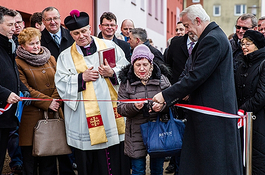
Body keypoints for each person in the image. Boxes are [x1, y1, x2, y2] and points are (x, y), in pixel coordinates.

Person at [153, 4, 242, 175]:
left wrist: (165, 95)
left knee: (214, 164)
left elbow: (196, 76)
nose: (186, 31)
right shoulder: (211, 37)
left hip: (212, 116)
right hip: (207, 113)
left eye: (186, 26)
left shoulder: (212, 40)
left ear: (198, 21)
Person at [55, 10, 130, 175]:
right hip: (84, 116)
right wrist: (81, 77)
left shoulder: (110, 47)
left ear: (90, 28)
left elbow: (127, 69)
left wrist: (112, 73)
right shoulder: (65, 56)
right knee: (89, 157)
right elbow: (60, 83)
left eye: (83, 31)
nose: (81, 36)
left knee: (115, 151)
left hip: (110, 113)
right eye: (76, 33)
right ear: (71, 34)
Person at [117, 44, 171, 175]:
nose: (142, 68)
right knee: (138, 170)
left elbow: (171, 102)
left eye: (145, 64)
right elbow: (120, 108)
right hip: (135, 132)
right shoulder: (126, 82)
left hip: (158, 130)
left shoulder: (162, 79)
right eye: (138, 64)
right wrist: (135, 107)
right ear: (132, 65)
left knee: (157, 170)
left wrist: (162, 106)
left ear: (151, 64)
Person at [15, 27, 62, 175]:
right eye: (31, 44)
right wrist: (48, 102)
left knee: (49, 158)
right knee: (30, 159)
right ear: (22, 46)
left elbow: (59, 82)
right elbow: (24, 87)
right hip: (31, 116)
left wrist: (55, 100)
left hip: (53, 113)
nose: (36, 46)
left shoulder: (51, 58)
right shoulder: (18, 62)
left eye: (37, 42)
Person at [41, 7, 76, 174]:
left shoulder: (71, 36)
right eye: (48, 19)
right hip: (50, 96)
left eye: (55, 18)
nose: (52, 22)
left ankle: (69, 168)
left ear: (60, 19)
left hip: (73, 91)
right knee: (53, 135)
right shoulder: (39, 40)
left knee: (70, 134)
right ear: (43, 22)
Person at [0, 7, 29, 174]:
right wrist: (5, 94)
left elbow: (12, 74)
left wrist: (22, 90)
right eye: (10, 24)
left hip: (7, 115)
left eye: (16, 23)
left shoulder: (9, 44)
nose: (14, 28)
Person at [235, 30, 265, 175]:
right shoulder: (242, 64)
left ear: (258, 45)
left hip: (259, 121)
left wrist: (243, 109)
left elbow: (261, 96)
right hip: (243, 121)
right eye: (242, 43)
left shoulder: (263, 64)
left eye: (248, 44)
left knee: (258, 161)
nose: (244, 47)